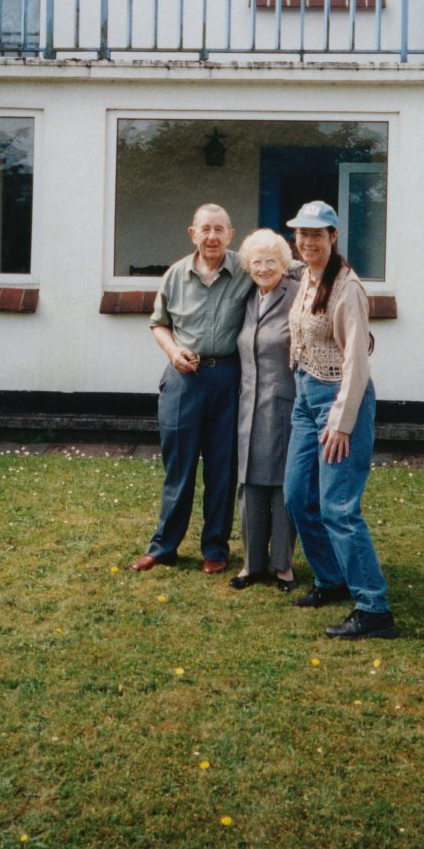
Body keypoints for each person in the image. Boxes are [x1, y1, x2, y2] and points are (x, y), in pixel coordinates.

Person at [283, 200, 398, 639]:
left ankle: (374, 608)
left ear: (333, 237)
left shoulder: (347, 288)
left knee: (339, 507)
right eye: (301, 233)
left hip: (339, 401)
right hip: (305, 397)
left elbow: (356, 361)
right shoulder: (306, 276)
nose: (307, 241)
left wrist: (342, 422)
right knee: (298, 497)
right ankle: (331, 578)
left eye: (317, 234)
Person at [130, 203, 253, 575]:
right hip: (184, 379)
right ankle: (164, 547)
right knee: (178, 468)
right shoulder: (175, 275)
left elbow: (285, 268)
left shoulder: (247, 269)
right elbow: (158, 323)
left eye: (220, 229)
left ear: (231, 235)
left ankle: (215, 547)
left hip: (228, 378)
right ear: (192, 233)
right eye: (206, 229)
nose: (212, 236)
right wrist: (173, 351)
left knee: (222, 467)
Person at [230, 229, 299, 593]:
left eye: (272, 261)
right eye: (256, 262)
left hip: (284, 402)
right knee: (250, 482)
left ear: (284, 264)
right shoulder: (248, 296)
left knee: (283, 484)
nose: (263, 268)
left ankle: (283, 565)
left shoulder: (297, 293)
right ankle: (252, 563)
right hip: (249, 404)